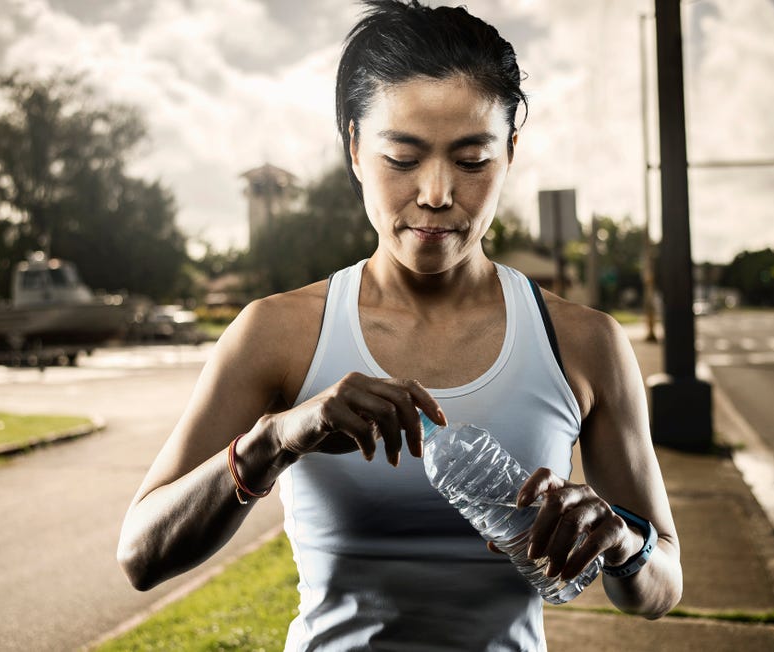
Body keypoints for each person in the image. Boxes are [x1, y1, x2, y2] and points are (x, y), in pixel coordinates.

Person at [117, 1, 682, 649]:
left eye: (471, 160)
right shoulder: (278, 334)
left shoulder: (584, 344)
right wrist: (272, 441)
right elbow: (141, 554)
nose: (438, 192)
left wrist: (625, 541)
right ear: (356, 149)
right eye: (403, 158)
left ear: (510, 152)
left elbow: (661, 586)